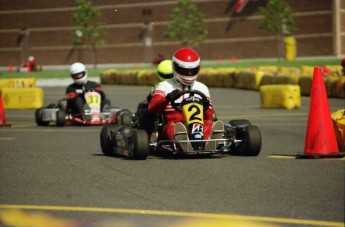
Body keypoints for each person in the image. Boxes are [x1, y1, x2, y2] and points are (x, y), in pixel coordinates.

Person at [148, 47, 223, 151]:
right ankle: (183, 142)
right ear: (175, 67)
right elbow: (152, 108)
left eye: (192, 71)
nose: (189, 74)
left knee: (208, 124)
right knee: (174, 128)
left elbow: (208, 117)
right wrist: (167, 98)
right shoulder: (164, 86)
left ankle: (208, 142)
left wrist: (206, 106)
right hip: (173, 124)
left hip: (197, 125)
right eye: (185, 71)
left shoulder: (202, 88)